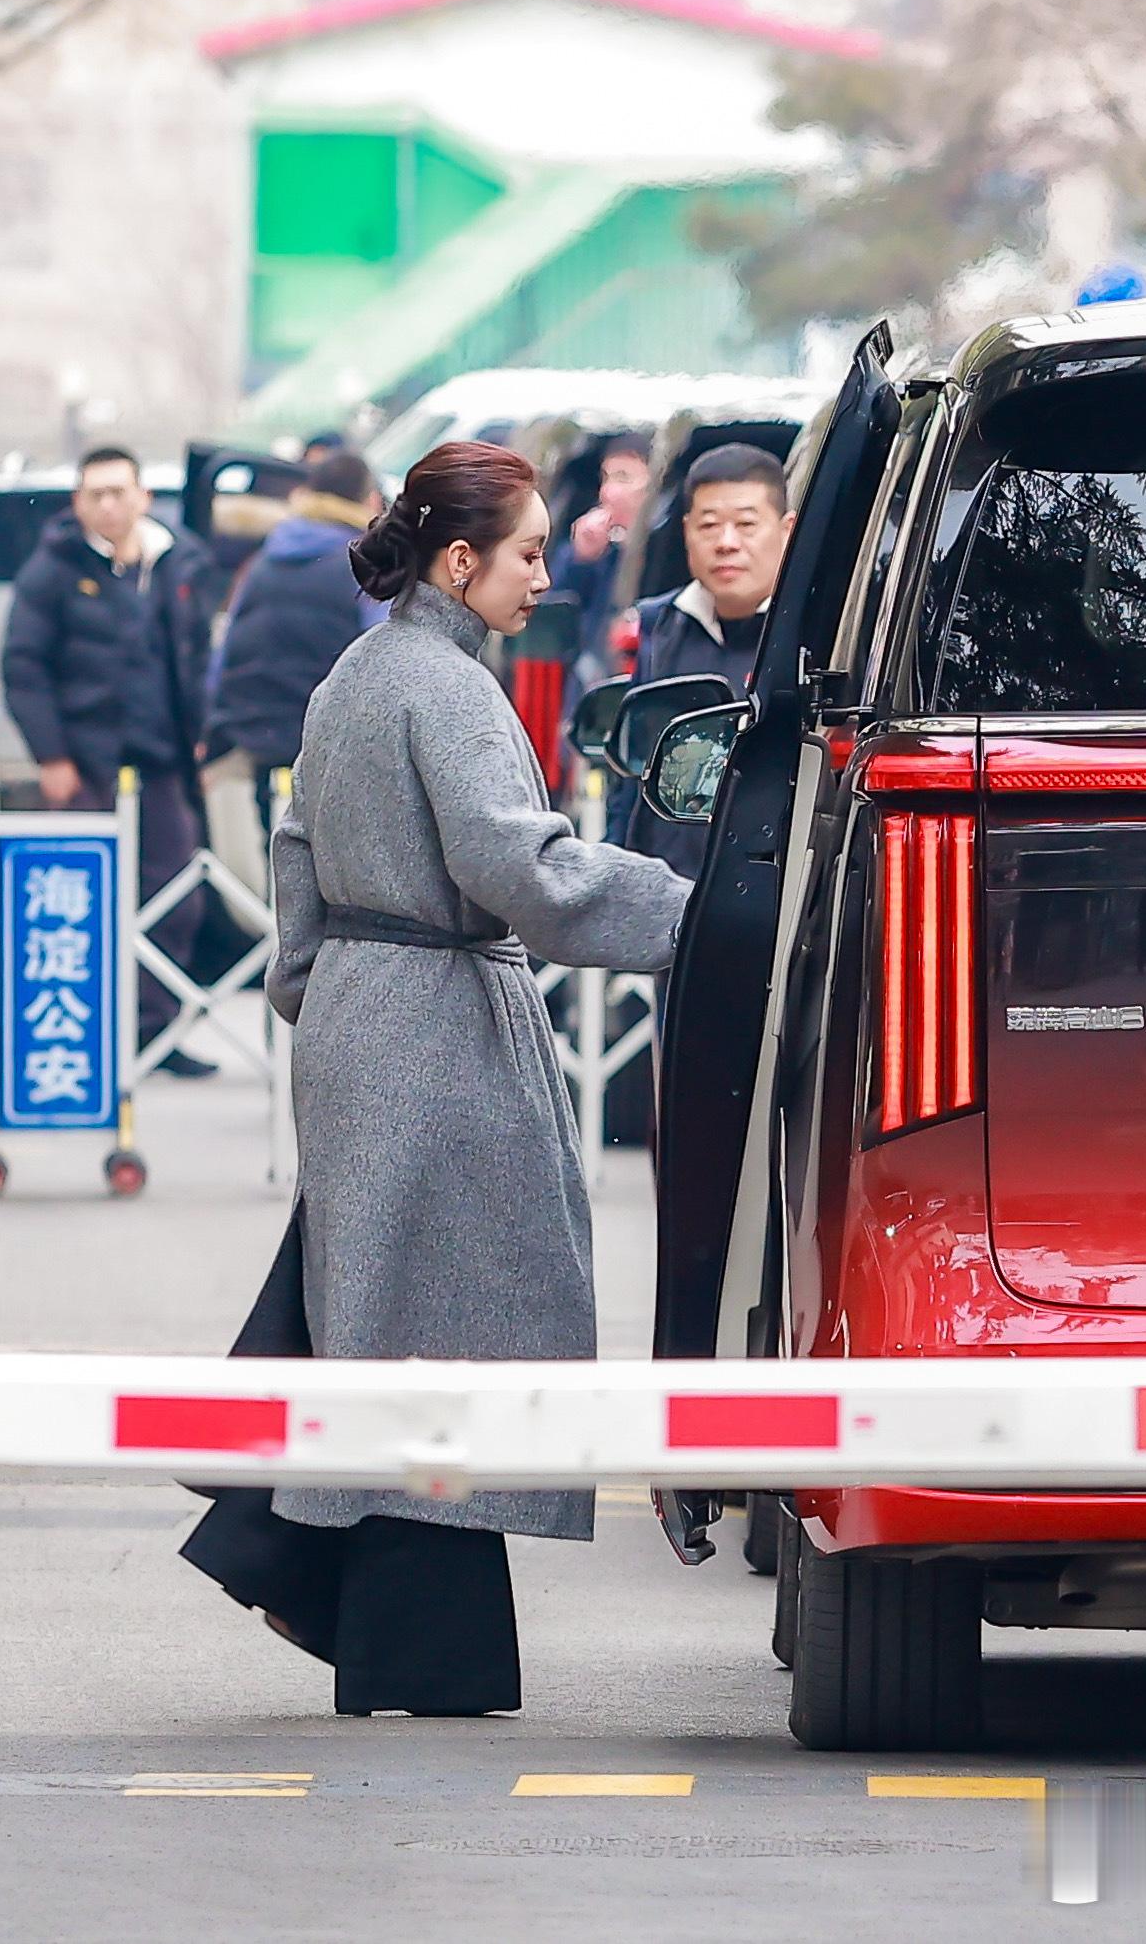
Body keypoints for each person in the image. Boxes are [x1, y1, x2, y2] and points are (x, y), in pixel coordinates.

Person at [179, 440, 690, 1715]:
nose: (541, 577)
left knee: (376, 1317)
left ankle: (317, 1583)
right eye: (527, 554)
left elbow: (295, 852)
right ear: (459, 563)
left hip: (362, 1015)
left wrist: (321, 988)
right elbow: (526, 872)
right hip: (437, 1024)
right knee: (450, 1326)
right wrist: (701, 914)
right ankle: (392, 1636)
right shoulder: (450, 690)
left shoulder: (356, 672)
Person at [3, 447, 225, 1074]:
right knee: (84, 904)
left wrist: (203, 736)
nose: (107, 505)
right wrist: (51, 755)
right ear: (77, 504)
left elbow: (198, 657)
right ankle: (85, 1034)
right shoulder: (52, 570)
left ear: (143, 498)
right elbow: (23, 667)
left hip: (162, 764)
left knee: (175, 898)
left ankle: (154, 1032)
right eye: (94, 494)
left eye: (118, 492)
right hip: (86, 765)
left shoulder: (178, 562)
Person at [609, 442, 792, 871]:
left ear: (787, 530)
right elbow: (632, 783)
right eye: (709, 525)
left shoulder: (815, 635)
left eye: (746, 524)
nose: (726, 543)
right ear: (687, 530)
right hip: (663, 888)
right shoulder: (660, 626)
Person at [205, 448, 386, 839]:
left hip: (250, 737)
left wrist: (212, 728)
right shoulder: (368, 569)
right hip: (328, 747)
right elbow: (387, 663)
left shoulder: (261, 563)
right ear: (370, 500)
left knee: (262, 860)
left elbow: (222, 656)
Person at [548, 435, 653, 653]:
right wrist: (580, 559)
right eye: (605, 478)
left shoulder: (662, 553)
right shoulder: (603, 550)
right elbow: (553, 620)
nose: (607, 492)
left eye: (623, 478)